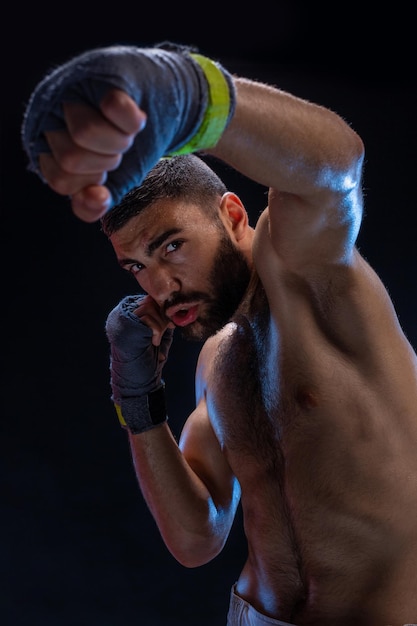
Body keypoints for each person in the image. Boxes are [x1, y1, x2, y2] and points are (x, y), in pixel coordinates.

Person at [21, 42, 417, 626]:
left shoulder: (307, 276)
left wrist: (187, 90)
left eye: (171, 247)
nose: (159, 286)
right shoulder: (218, 359)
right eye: (136, 268)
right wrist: (137, 401)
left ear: (232, 215)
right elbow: (196, 538)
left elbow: (338, 164)